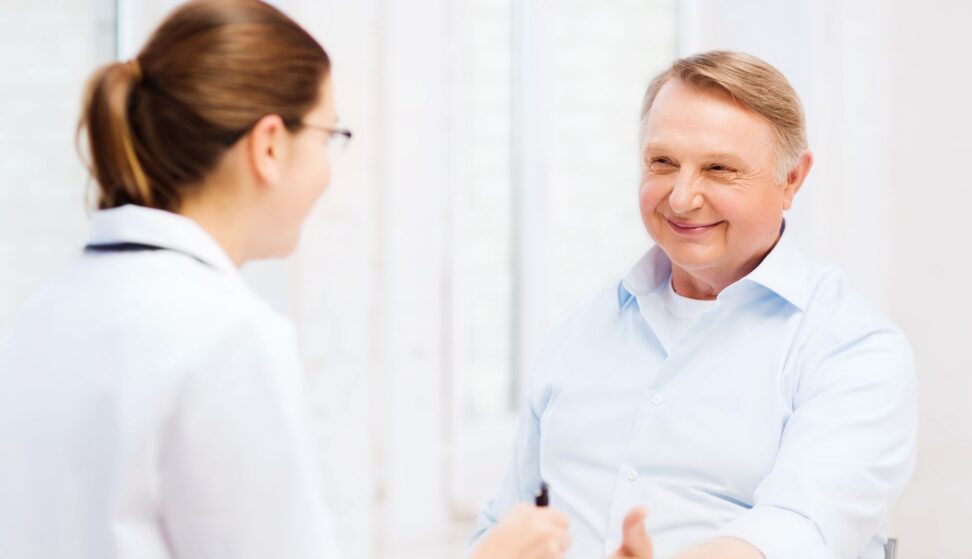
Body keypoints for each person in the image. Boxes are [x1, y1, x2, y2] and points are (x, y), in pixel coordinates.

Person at [0, 1, 570, 557]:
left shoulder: (45, 310)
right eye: (328, 137)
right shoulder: (228, 339)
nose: (327, 168)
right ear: (270, 145)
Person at [471, 51, 917, 559]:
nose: (682, 198)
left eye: (719, 169)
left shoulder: (855, 350)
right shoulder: (581, 331)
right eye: (662, 163)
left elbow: (799, 529)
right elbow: (506, 523)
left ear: (792, 179)